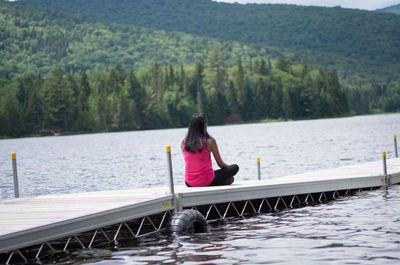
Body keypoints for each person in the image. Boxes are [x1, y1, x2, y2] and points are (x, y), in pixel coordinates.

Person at [182, 113, 239, 187]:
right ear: (204, 126)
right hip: (205, 180)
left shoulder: (184, 142)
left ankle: (224, 180)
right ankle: (225, 180)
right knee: (235, 168)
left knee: (226, 178)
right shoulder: (209, 141)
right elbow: (220, 164)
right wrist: (229, 169)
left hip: (189, 182)